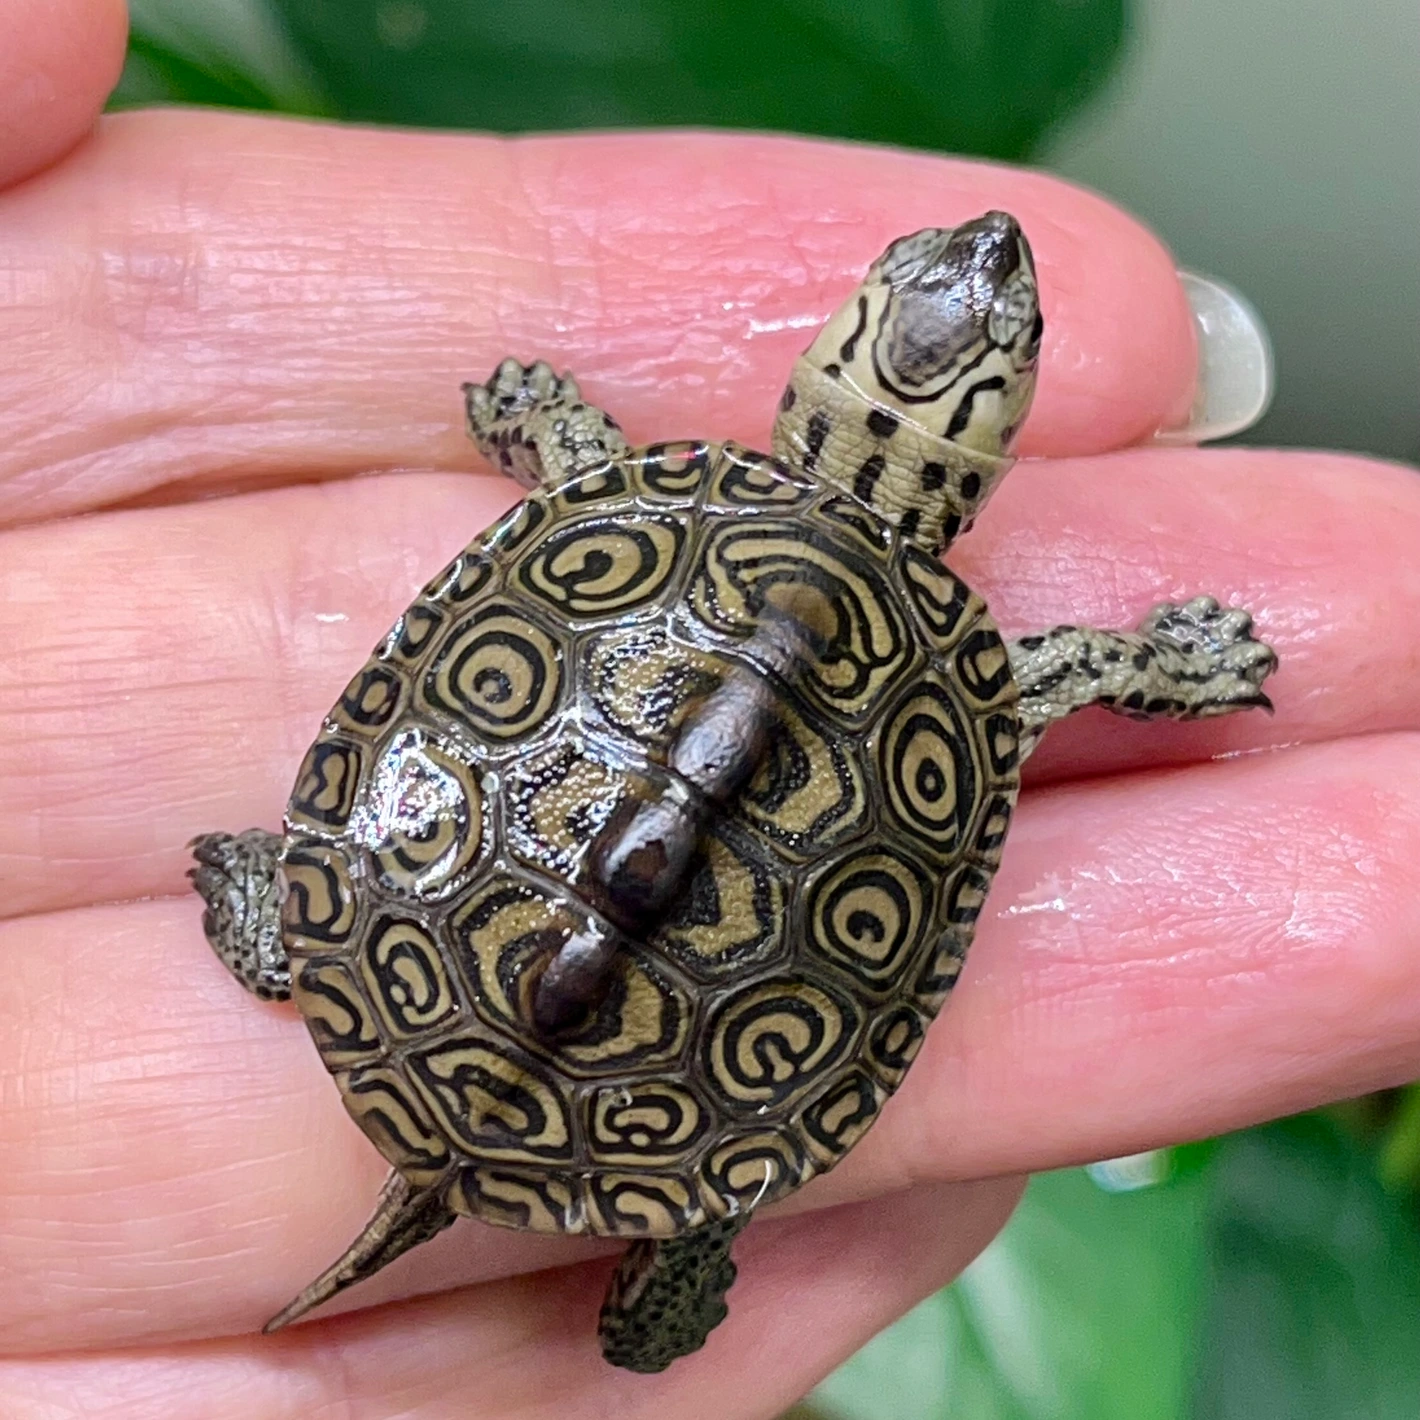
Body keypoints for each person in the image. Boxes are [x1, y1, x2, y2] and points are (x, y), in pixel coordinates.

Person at [1, 4, 1416, 1415]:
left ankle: (313, 935)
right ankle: (676, 1229)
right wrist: (1176, 662)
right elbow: (1067, 676)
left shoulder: (648, 500)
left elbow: (563, 464)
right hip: (681, 1100)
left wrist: (534, 415)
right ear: (981, 461)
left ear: (829, 366)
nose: (987, 254)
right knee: (720, 1096)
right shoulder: (967, 678)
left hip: (419, 963)